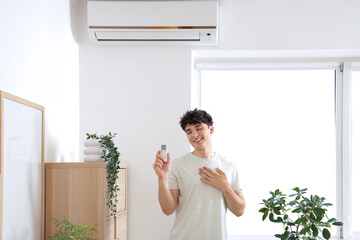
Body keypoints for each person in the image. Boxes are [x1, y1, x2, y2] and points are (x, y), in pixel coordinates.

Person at [153, 109, 245, 240]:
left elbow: (239, 210)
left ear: (211, 129)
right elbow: (168, 210)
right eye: (189, 132)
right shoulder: (177, 165)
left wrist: (224, 186)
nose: (194, 135)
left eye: (198, 128)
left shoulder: (228, 166)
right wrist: (162, 178)